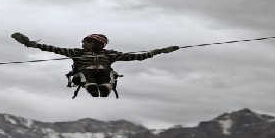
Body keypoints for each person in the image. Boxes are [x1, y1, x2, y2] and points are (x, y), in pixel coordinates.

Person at [11, 32, 178, 97]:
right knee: (85, 72)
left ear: (98, 44)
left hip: (103, 75)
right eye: (84, 42)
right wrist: (31, 44)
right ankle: (90, 85)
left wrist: (159, 51)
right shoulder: (77, 53)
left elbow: (137, 57)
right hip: (83, 75)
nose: (84, 44)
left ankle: (106, 87)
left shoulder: (110, 54)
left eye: (88, 42)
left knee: (108, 73)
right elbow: (54, 49)